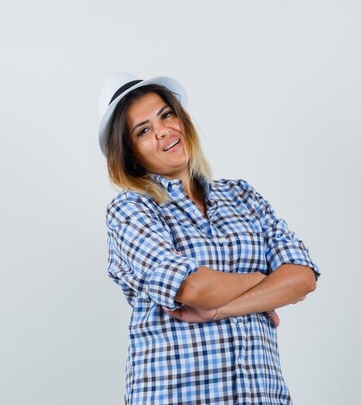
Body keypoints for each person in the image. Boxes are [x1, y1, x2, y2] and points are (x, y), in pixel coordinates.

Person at [98, 72, 320, 405]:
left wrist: (217, 309)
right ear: (131, 155)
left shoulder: (243, 196)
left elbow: (302, 277)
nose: (163, 131)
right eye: (143, 131)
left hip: (262, 396)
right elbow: (192, 288)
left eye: (166, 114)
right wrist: (265, 283)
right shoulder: (131, 210)